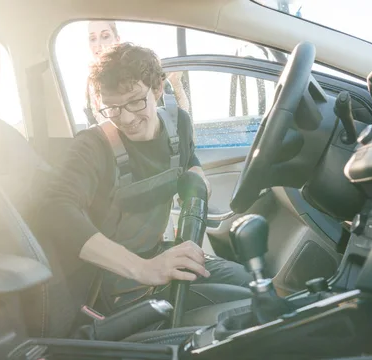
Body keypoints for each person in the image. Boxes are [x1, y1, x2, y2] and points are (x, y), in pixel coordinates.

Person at [39, 43, 252, 315]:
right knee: (242, 307)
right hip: (110, 282)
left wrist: (196, 178)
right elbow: (55, 209)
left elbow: (188, 160)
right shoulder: (93, 146)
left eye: (136, 101)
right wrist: (142, 268)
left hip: (158, 253)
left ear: (157, 89)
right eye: (112, 108)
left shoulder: (179, 125)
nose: (126, 118)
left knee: (251, 284)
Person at [85, 21, 190, 125]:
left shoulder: (141, 71)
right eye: (93, 39)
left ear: (117, 40)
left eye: (105, 36)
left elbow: (178, 119)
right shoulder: (89, 87)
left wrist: (175, 84)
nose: (98, 44)